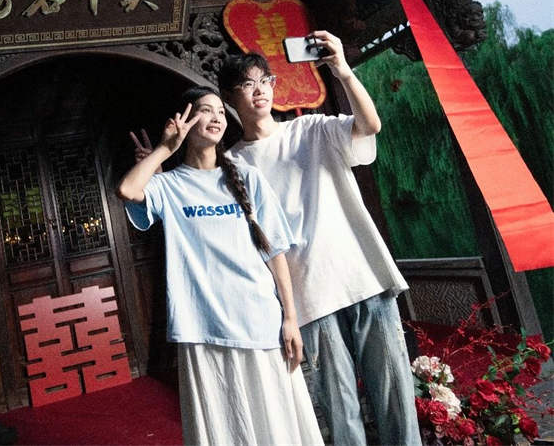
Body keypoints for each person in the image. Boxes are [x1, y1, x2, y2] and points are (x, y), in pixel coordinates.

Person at [215, 30, 421, 445]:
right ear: (229, 98)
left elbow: (370, 125)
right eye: (247, 85)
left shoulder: (310, 128)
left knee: (395, 399)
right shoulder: (232, 166)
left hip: (361, 276)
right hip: (308, 296)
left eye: (265, 80)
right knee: (340, 412)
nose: (259, 90)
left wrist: (342, 70)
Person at [117, 86, 324, 446]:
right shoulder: (168, 185)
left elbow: (275, 252)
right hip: (201, 323)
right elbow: (127, 190)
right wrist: (165, 149)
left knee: (274, 421)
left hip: (257, 317)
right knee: (224, 425)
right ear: (182, 120)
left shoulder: (248, 177)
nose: (216, 117)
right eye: (205, 110)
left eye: (220, 111)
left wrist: (290, 318)